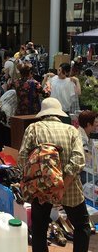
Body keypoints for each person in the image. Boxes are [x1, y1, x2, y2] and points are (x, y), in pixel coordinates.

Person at [18, 97, 91, 252]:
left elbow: (22, 158)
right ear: (59, 114)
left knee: (39, 228)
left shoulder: (34, 128)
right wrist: (63, 184)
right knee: (82, 226)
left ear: (43, 114)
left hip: (41, 187)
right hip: (70, 188)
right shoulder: (71, 130)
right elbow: (79, 159)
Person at [78, 110, 98, 184]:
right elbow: (87, 157)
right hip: (84, 172)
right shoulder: (80, 137)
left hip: (89, 170)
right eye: (95, 122)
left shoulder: (86, 134)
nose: (97, 124)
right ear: (89, 124)